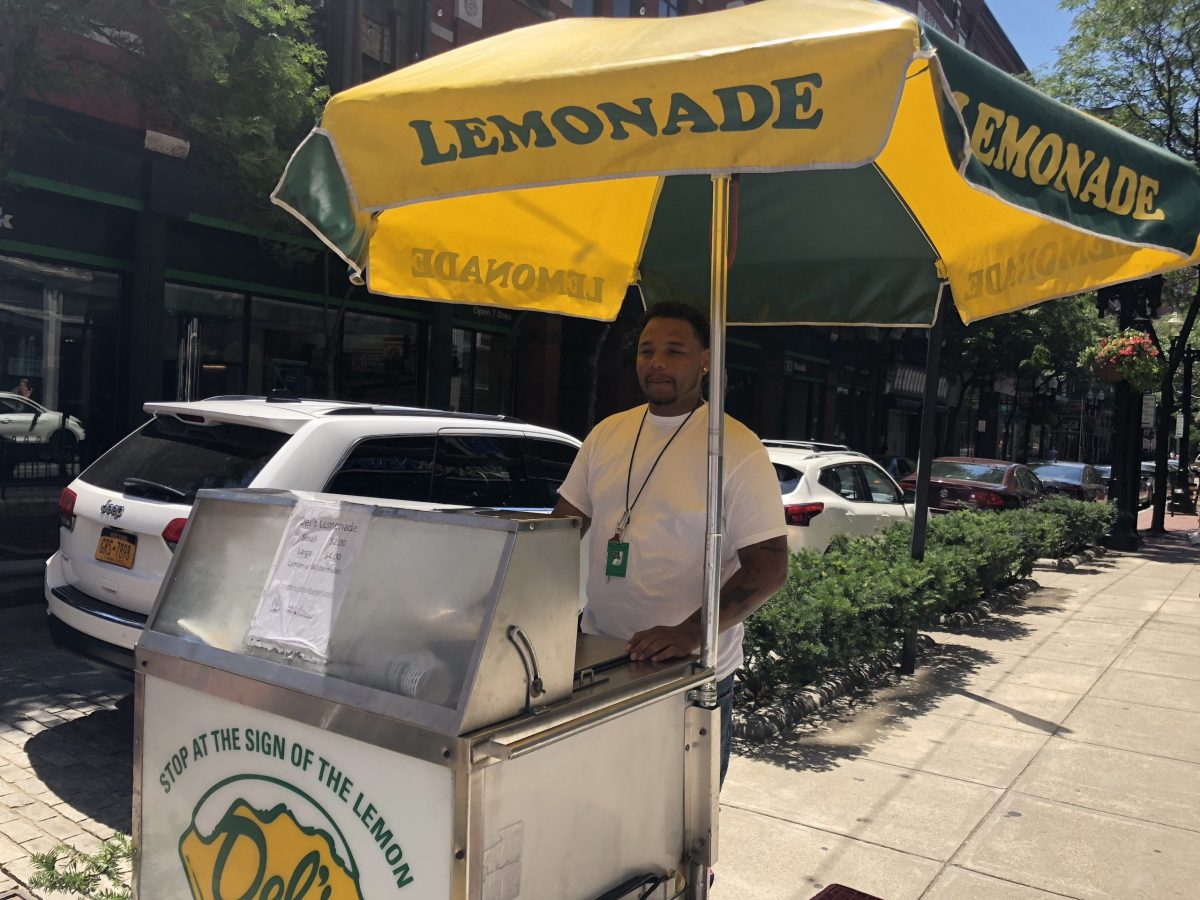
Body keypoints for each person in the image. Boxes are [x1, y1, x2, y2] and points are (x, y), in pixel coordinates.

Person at [554, 301, 788, 787]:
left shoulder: (736, 448)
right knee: (599, 811)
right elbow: (561, 530)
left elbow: (768, 569)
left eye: (674, 351)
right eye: (647, 351)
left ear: (705, 361)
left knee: (681, 822)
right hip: (599, 660)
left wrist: (690, 633)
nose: (657, 363)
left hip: (688, 675)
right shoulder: (606, 434)